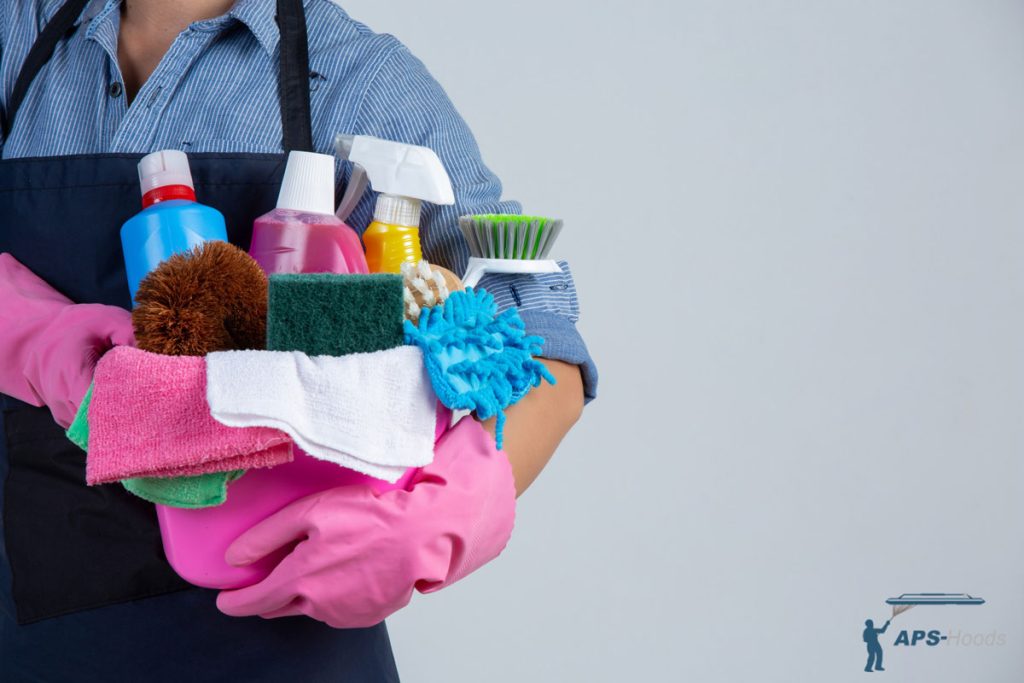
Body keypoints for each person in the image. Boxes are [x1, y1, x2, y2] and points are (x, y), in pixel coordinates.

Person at [0, 0, 597, 680]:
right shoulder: (18, 35)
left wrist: (447, 512)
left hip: (281, 639)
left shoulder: (358, 80)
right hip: (33, 628)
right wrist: (39, 337)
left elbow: (547, 351)